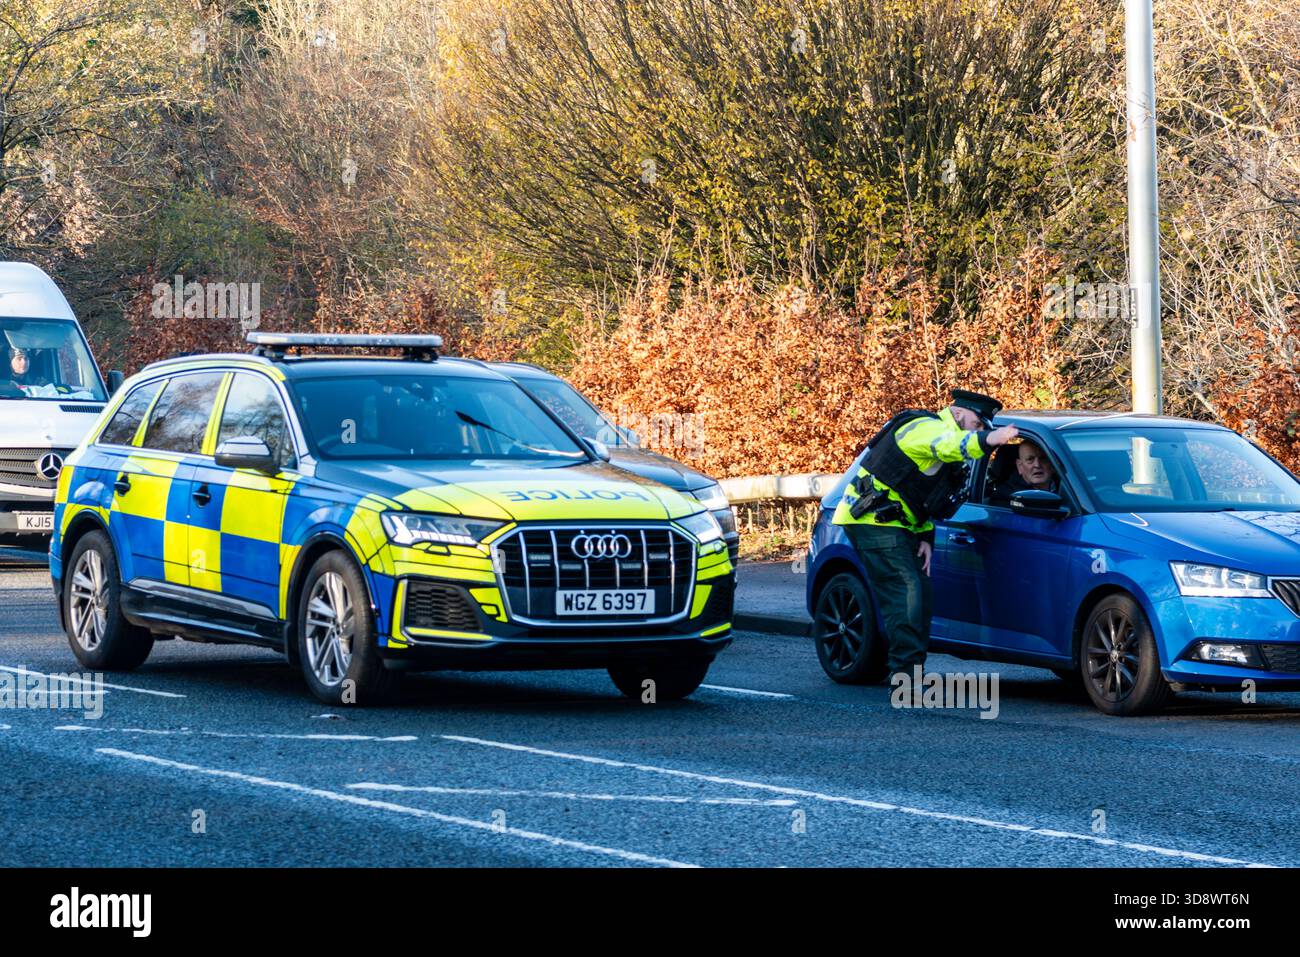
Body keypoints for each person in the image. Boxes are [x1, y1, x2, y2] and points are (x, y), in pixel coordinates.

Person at [832, 389, 1018, 678]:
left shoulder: (947, 442)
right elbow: (949, 445)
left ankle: (909, 671)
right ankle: (906, 677)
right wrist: (988, 440)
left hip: (902, 524)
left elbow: (922, 498)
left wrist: (925, 536)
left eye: (984, 428)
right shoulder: (924, 428)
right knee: (906, 594)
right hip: (871, 520)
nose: (979, 430)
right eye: (978, 424)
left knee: (921, 596)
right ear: (958, 413)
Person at [990, 439, 1059, 502]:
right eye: (1030, 459)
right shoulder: (1006, 496)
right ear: (1020, 466)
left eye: (1043, 458)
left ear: (1052, 463)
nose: (1037, 465)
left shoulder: (1067, 482)